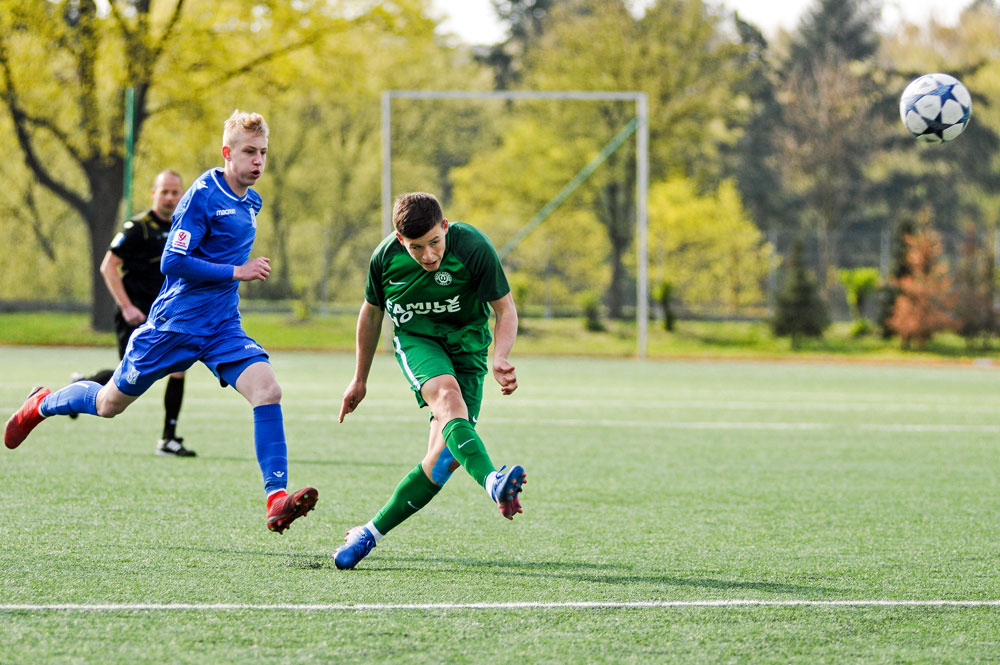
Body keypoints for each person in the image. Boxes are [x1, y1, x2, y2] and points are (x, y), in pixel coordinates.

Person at [4, 110, 317, 534]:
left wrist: (232, 280)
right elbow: (173, 261)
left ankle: (276, 498)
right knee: (108, 404)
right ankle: (41, 403)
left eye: (263, 152)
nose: (258, 160)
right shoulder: (202, 196)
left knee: (268, 390)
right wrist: (236, 271)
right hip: (175, 325)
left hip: (222, 327)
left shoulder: (252, 201)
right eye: (249, 152)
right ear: (227, 153)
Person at [334, 191, 525, 570]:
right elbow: (371, 314)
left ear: (445, 227)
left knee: (442, 461)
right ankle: (493, 482)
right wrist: (359, 378)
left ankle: (368, 533)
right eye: (416, 247)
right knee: (448, 399)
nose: (428, 255)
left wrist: (500, 356)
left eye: (434, 242)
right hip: (419, 341)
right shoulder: (384, 259)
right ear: (400, 240)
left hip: (468, 348)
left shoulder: (473, 246)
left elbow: (504, 309)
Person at [69, 170, 194, 457]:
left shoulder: (183, 229)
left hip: (165, 316)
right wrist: (126, 306)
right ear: (154, 194)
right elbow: (108, 266)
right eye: (164, 192)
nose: (170, 197)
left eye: (175, 192)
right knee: (128, 376)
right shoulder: (138, 227)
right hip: (134, 313)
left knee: (179, 368)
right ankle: (81, 386)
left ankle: (168, 439)